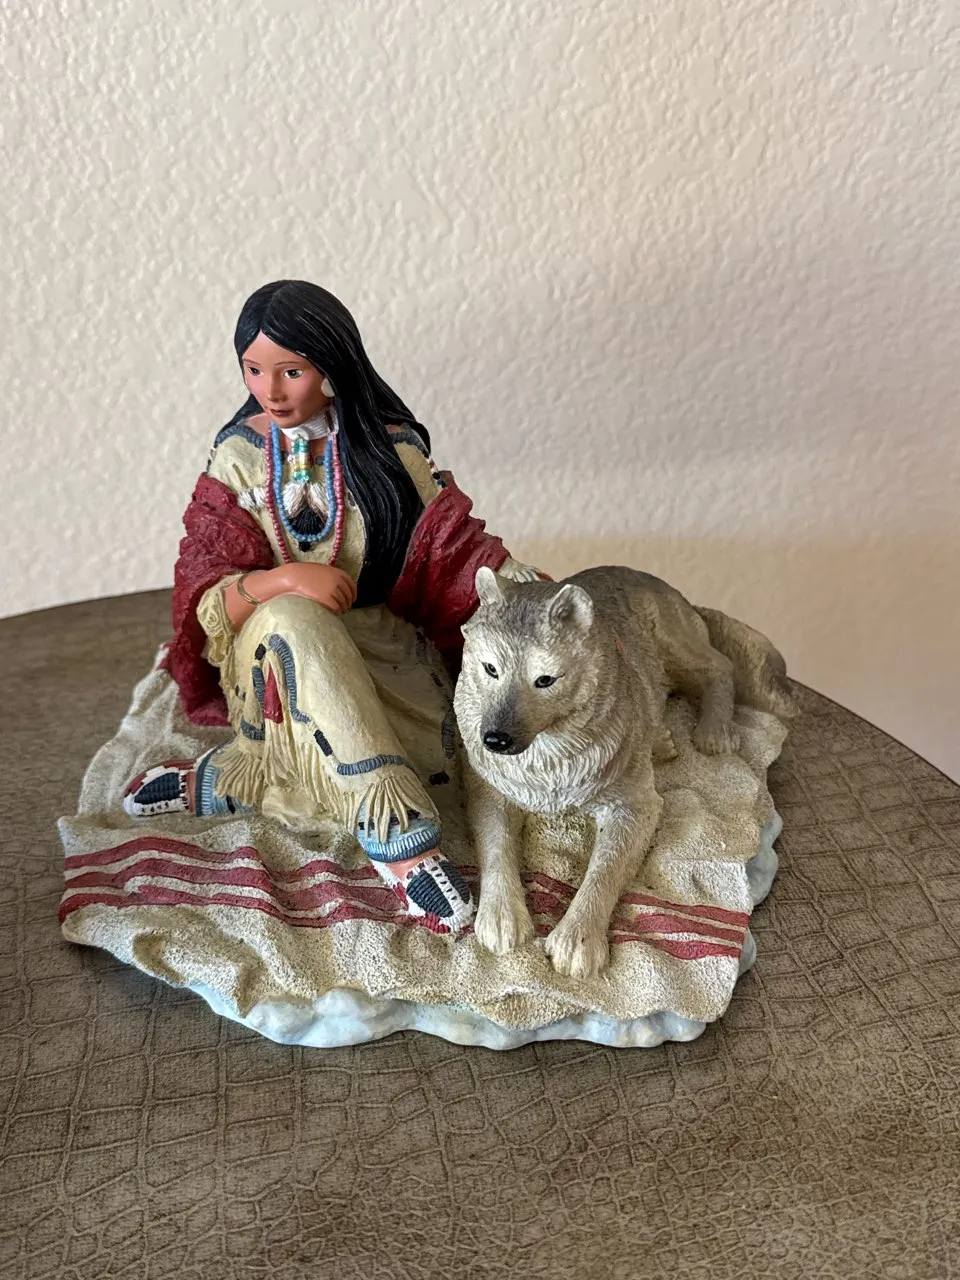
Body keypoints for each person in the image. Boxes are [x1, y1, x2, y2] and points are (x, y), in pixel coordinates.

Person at [123, 280, 541, 933]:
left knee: (428, 741)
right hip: (270, 655)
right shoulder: (239, 459)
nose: (271, 390)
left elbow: (456, 551)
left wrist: (540, 602)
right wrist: (281, 582)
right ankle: (398, 835)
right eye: (253, 370)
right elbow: (206, 592)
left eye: (291, 370)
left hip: (375, 654)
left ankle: (246, 778)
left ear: (332, 365)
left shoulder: (389, 451)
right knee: (295, 619)